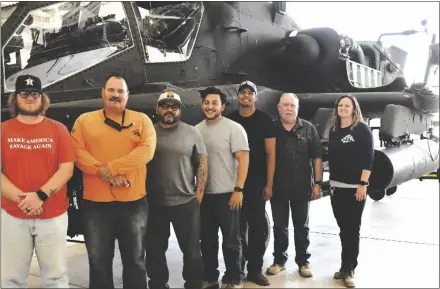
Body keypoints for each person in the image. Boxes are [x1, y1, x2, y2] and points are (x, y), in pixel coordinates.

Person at [71, 74, 156, 289]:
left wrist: (112, 168)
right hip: (96, 205)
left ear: (128, 96)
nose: (116, 95)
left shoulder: (142, 120)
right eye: (111, 90)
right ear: (102, 93)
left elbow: (146, 151)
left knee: (135, 261)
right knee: (98, 261)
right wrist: (104, 173)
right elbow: (77, 152)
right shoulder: (84, 121)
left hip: (133, 204)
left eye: (120, 91)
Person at [1, 74, 75, 288]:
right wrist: (25, 200)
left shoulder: (58, 129)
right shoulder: (3, 130)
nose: (30, 98)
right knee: (10, 279)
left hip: (53, 215)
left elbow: (67, 168)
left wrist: (40, 196)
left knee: (56, 278)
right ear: (15, 98)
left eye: (35, 94)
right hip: (13, 215)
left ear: (42, 98)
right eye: (24, 94)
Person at [145, 91, 208, 289]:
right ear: (158, 109)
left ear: (180, 110)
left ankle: (193, 284)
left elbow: (202, 162)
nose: (169, 110)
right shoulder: (149, 131)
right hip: (155, 204)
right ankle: (157, 284)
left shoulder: (192, 132)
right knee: (154, 251)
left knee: (191, 251)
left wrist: (198, 194)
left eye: (174, 106)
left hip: (185, 204)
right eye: (165, 106)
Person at [196, 87, 249, 289]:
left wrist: (238, 189)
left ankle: (234, 277)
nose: (210, 106)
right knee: (207, 240)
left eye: (214, 103)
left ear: (223, 106)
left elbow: (244, 158)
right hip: (205, 197)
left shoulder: (234, 129)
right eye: (207, 103)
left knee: (231, 241)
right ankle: (210, 277)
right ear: (202, 105)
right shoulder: (197, 130)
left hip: (229, 194)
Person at [266, 93, 323, 278]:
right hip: (278, 188)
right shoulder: (271, 128)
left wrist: (317, 183)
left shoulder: (308, 128)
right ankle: (279, 261)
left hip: (302, 187)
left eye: (292, 105)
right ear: (279, 108)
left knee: (302, 227)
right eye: (285, 105)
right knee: (279, 226)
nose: (289, 108)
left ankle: (303, 262)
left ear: (297, 108)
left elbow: (317, 157)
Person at [226, 81, 275, 286]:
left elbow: (271, 154)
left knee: (257, 227)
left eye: (250, 93)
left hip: (256, 181)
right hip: (233, 182)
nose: (246, 96)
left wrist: (269, 184)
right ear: (237, 97)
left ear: (256, 97)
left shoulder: (264, 120)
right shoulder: (229, 121)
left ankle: (255, 269)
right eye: (242, 93)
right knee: (235, 228)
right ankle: (237, 267)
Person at [327, 94, 374, 288]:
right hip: (336, 187)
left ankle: (350, 268)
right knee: (343, 229)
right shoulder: (334, 130)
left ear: (354, 109)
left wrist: (363, 184)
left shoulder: (362, 130)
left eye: (347, 105)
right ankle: (343, 265)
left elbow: (368, 157)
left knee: (352, 229)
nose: (343, 108)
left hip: (355, 189)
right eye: (340, 105)